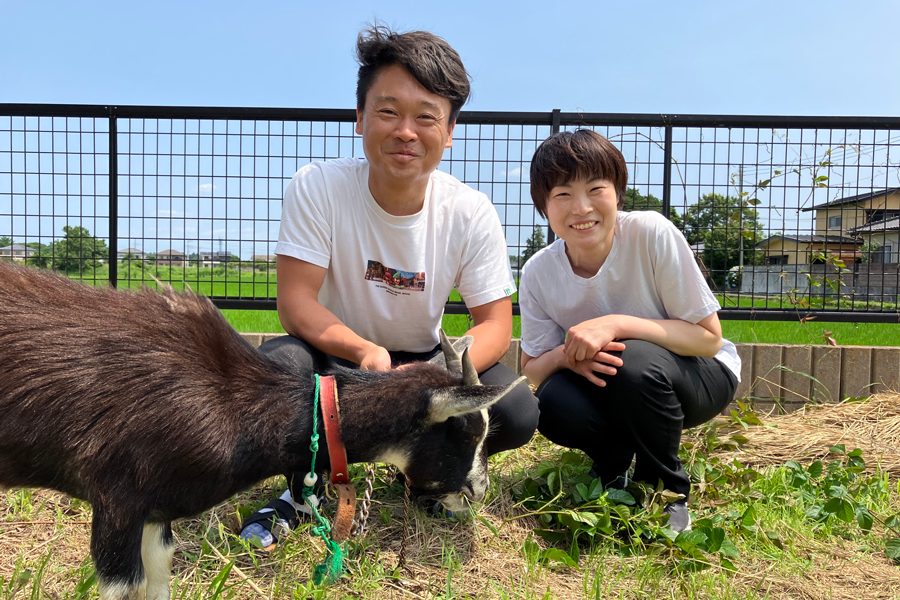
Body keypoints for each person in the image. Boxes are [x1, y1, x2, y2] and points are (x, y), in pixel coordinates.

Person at [240, 25, 538, 549]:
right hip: (339, 355)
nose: (406, 130)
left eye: (427, 116)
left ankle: (432, 474)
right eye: (388, 111)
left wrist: (445, 373)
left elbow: (494, 322)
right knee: (280, 371)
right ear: (359, 118)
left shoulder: (470, 212)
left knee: (514, 412)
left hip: (427, 360)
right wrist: (363, 351)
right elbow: (296, 304)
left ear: (449, 132)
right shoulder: (320, 187)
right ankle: (301, 491)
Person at [518, 129, 741, 532]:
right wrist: (568, 357)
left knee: (631, 357)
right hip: (616, 384)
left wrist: (616, 324)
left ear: (618, 193)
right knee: (552, 402)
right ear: (544, 207)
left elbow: (708, 339)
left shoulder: (650, 233)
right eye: (562, 195)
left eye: (596, 188)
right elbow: (532, 368)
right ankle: (613, 466)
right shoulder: (538, 271)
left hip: (698, 375)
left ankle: (667, 491)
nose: (581, 207)